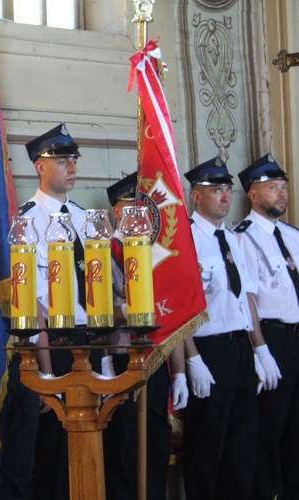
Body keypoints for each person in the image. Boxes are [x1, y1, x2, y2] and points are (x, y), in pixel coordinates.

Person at [182, 157, 273, 499]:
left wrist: (259, 350)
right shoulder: (187, 241)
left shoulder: (230, 237)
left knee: (241, 446)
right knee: (207, 447)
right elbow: (181, 307)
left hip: (238, 349)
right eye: (216, 189)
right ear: (196, 197)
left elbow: (245, 296)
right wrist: (192, 359)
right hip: (209, 350)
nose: (224, 196)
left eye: (227, 190)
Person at [21, 123, 98, 500]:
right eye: (62, 160)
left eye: (74, 159)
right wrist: (44, 367)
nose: (72, 166)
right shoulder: (27, 221)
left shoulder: (85, 218)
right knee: (53, 451)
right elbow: (31, 299)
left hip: (90, 340)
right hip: (56, 344)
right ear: (40, 166)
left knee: (93, 447)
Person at [101, 172, 188, 499]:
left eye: (142, 207)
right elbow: (99, 311)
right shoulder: (105, 252)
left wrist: (179, 372)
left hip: (158, 362)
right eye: (130, 208)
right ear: (117, 213)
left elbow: (172, 317)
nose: (138, 214)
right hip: (122, 361)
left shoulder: (156, 254)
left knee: (155, 450)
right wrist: (135, 309)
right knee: (124, 452)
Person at [233, 153, 297, 500]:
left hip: (297, 333)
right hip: (273, 337)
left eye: (283, 187)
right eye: (273, 187)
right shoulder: (243, 237)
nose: (281, 194)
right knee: (272, 425)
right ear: (254, 195)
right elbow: (248, 298)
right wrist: (261, 349)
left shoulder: (292, 234)